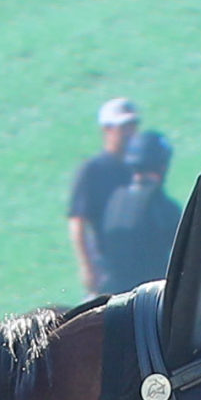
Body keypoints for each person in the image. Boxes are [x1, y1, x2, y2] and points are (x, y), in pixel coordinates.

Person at [64, 95, 141, 293]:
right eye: (123, 127)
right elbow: (78, 222)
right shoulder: (93, 170)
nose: (129, 133)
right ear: (107, 129)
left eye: (132, 126)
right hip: (108, 270)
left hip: (139, 268)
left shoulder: (138, 169)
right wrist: (88, 267)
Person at [94, 129, 183, 297]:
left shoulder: (115, 199)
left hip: (109, 297)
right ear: (162, 166)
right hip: (147, 302)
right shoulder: (164, 207)